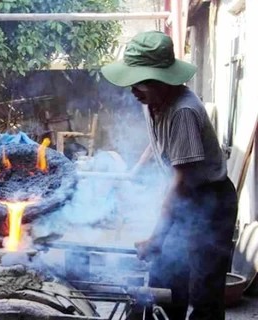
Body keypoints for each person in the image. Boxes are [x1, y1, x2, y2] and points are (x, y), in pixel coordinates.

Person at [101, 31, 238, 320]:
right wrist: (134, 175)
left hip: (210, 202)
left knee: (204, 291)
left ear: (162, 81)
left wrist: (156, 237)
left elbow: (181, 185)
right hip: (184, 195)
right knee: (164, 277)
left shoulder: (184, 112)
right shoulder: (152, 102)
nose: (133, 90)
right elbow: (158, 144)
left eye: (139, 83)